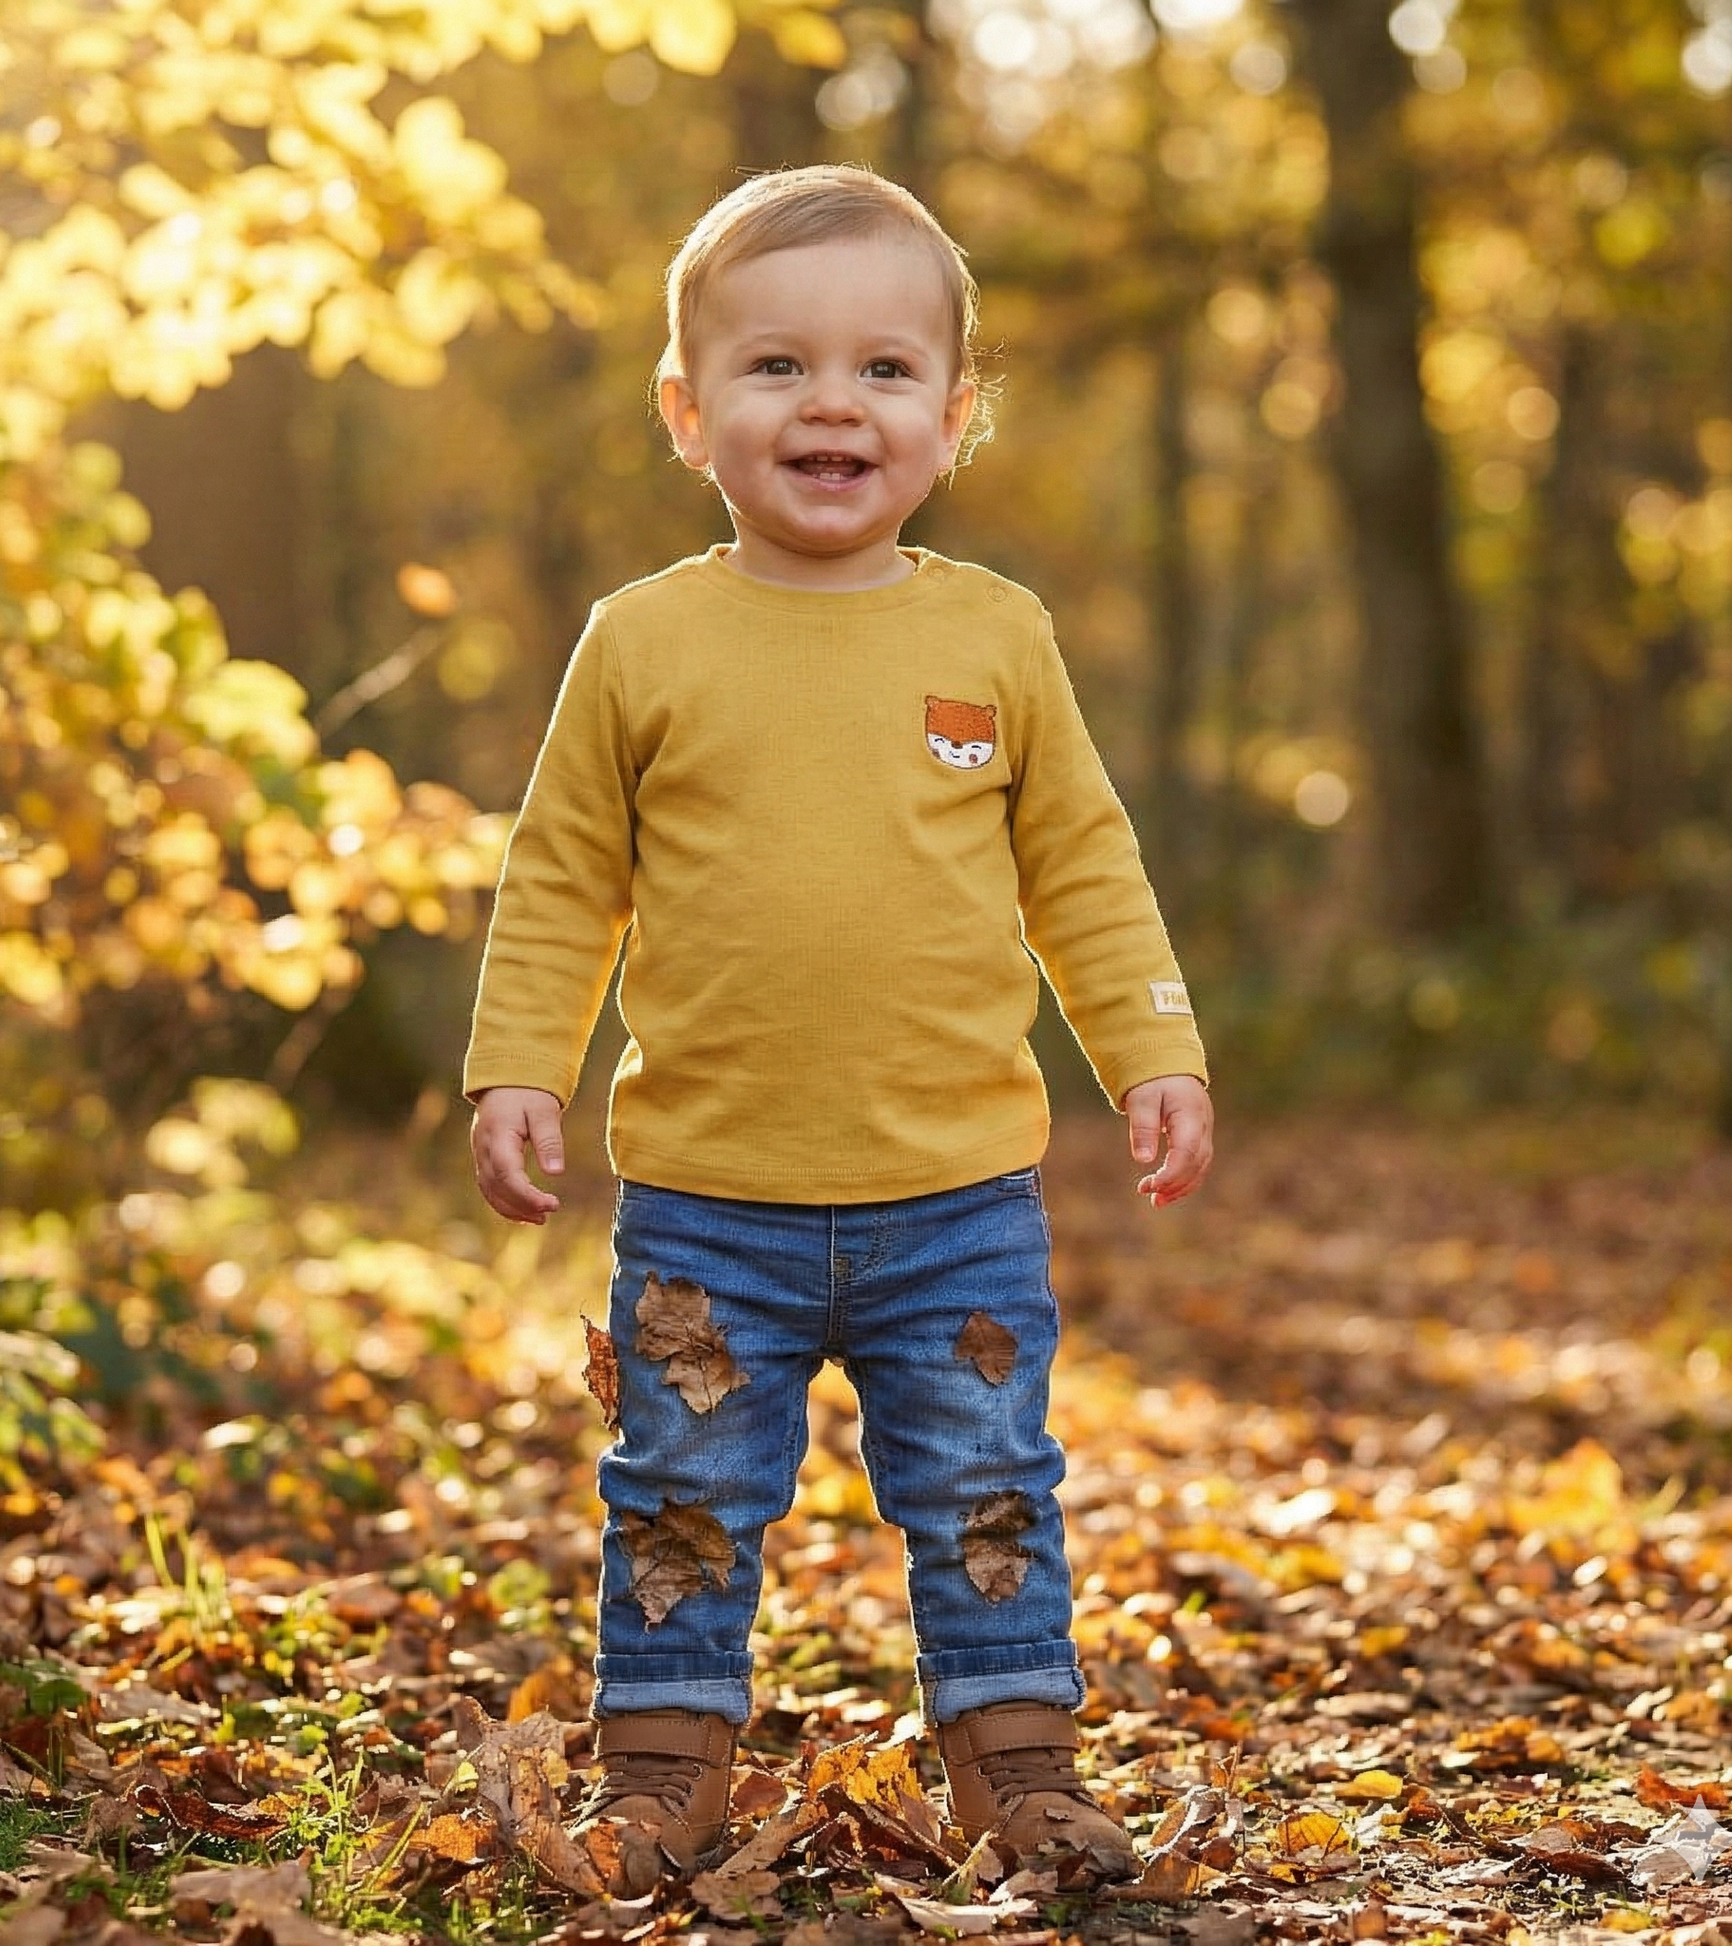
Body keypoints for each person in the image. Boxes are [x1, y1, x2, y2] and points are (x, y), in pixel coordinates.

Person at [465, 165, 1213, 1897]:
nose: (831, 403)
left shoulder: (992, 634)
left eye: (884, 371)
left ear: (952, 417)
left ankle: (1016, 1765)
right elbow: (563, 867)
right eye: (776, 365)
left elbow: (1081, 865)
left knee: (984, 1485)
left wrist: (1151, 1047)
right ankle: (659, 1772)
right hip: (706, 1197)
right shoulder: (643, 641)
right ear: (687, 409)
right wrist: (517, 1061)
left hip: (953, 1195)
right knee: (681, 1491)